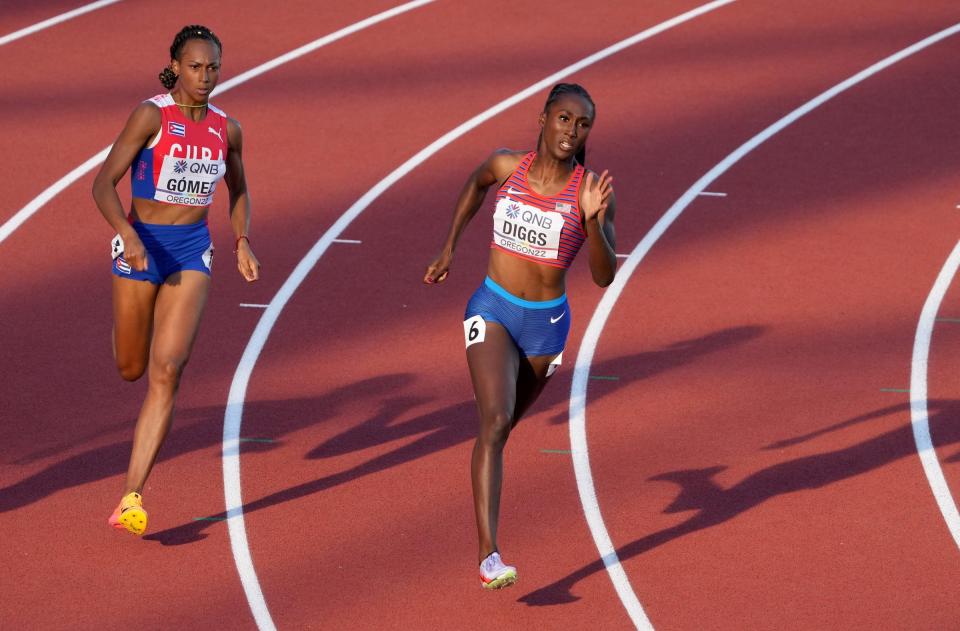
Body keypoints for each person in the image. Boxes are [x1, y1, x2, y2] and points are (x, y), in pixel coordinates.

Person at [423, 83, 616, 589]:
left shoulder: (590, 192)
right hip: (492, 307)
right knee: (495, 419)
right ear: (543, 118)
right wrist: (449, 248)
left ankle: (483, 501)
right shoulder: (508, 166)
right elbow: (475, 184)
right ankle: (489, 554)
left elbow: (603, 276)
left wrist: (595, 222)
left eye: (582, 124)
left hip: (546, 328)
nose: (571, 131)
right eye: (563, 119)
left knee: (501, 432)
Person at [92, 25, 259, 536]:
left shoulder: (226, 128)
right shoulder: (151, 115)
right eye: (195, 67)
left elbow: (239, 190)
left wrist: (241, 240)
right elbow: (102, 183)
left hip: (191, 252)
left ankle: (131, 495)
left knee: (168, 369)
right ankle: (128, 328)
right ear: (176, 66)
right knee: (131, 367)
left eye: (213, 68)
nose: (205, 77)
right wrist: (126, 233)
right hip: (141, 247)